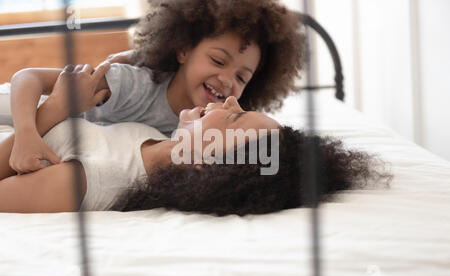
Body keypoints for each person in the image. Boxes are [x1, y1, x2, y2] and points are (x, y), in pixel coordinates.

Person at [0, 67, 392, 215]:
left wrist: (53, 112)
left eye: (235, 116)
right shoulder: (150, 135)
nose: (233, 98)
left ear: (207, 167)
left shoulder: (93, 180)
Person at [8, 0, 306, 175]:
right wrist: (25, 134)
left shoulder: (207, 133)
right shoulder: (135, 85)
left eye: (242, 78)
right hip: (17, 114)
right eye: (217, 60)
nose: (228, 81)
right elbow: (28, 77)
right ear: (183, 50)